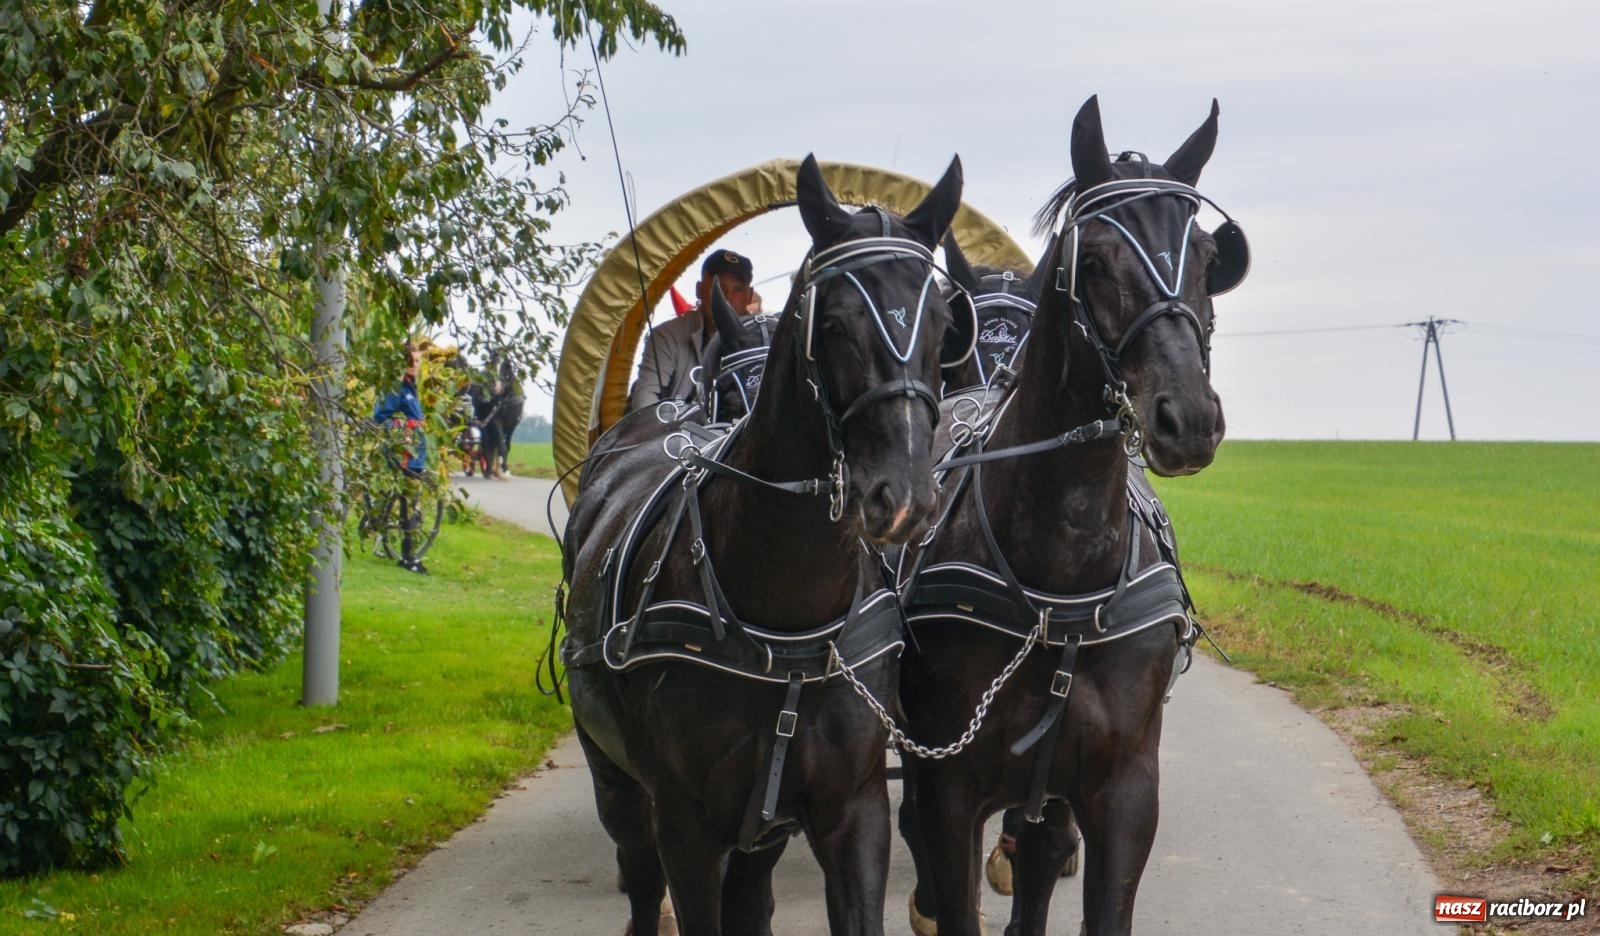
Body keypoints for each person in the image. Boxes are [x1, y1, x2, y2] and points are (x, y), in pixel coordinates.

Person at [628, 248, 758, 413]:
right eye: (717, 288)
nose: (726, 297)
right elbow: (644, 402)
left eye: (737, 290)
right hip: (678, 434)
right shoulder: (667, 336)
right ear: (698, 289)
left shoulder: (763, 341)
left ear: (749, 296)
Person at [372, 346, 430, 574]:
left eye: (418, 360)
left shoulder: (414, 389)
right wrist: (402, 429)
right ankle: (409, 557)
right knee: (409, 504)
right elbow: (380, 418)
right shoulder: (396, 389)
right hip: (404, 454)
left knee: (411, 503)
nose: (415, 364)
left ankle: (408, 553)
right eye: (411, 360)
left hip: (416, 454)